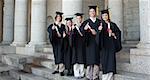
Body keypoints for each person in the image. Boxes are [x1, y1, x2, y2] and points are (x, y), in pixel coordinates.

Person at [81, 6, 102, 80]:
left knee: (96, 59)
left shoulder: (99, 22)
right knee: (89, 60)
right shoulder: (86, 22)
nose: (92, 13)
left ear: (95, 12)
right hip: (89, 43)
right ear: (89, 13)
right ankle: (88, 76)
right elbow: (81, 31)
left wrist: (97, 31)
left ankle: (95, 76)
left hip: (97, 43)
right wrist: (85, 29)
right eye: (91, 11)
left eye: (93, 11)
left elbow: (101, 31)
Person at [100, 9, 122, 80]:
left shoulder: (113, 24)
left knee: (111, 60)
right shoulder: (101, 24)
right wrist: (99, 30)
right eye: (103, 15)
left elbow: (118, 32)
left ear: (108, 16)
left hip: (111, 44)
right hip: (104, 45)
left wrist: (113, 34)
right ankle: (105, 77)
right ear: (101, 16)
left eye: (106, 15)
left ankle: (110, 76)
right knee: (105, 60)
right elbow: (98, 35)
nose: (105, 17)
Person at [47, 11, 65, 76]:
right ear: (55, 18)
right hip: (55, 43)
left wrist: (63, 34)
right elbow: (48, 30)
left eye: (60, 17)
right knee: (56, 55)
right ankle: (56, 69)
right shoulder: (52, 25)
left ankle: (61, 70)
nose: (58, 18)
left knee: (61, 56)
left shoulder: (63, 25)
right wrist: (52, 29)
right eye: (57, 17)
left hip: (61, 42)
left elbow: (64, 32)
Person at [71, 13, 85, 79]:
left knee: (81, 60)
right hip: (75, 46)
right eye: (77, 18)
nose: (79, 19)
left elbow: (84, 35)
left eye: (80, 18)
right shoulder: (74, 26)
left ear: (81, 19)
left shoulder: (83, 26)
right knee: (76, 60)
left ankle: (82, 73)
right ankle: (76, 74)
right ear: (76, 19)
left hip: (82, 46)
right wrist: (73, 30)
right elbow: (71, 37)